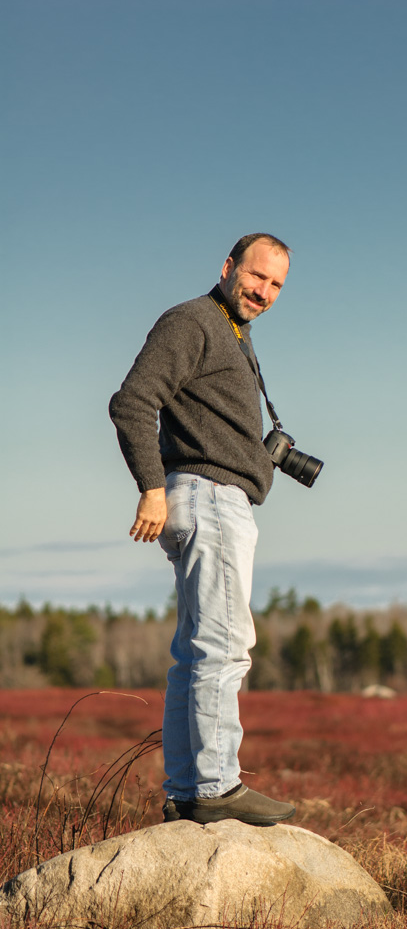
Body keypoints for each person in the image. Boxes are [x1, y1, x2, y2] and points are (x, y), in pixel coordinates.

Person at [109, 233, 297, 826]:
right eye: (257, 276)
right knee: (225, 647)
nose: (264, 292)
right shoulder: (193, 321)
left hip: (215, 499)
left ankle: (188, 791)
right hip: (209, 500)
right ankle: (216, 786)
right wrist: (151, 486)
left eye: (276, 285)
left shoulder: (234, 335)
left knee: (194, 655)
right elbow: (133, 401)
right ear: (228, 267)